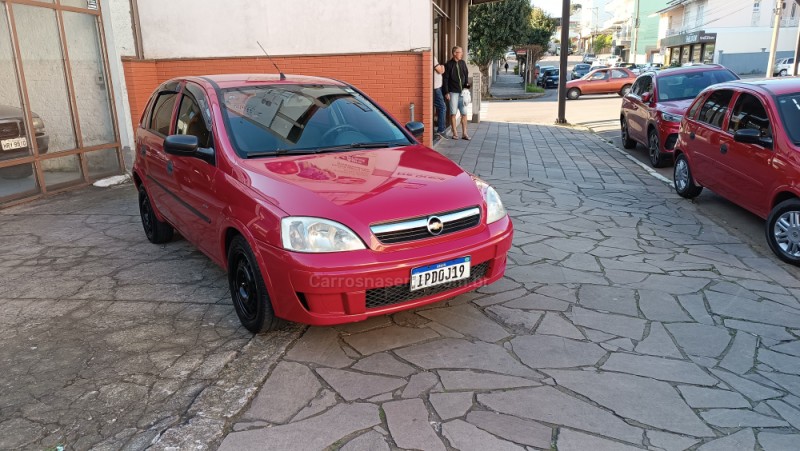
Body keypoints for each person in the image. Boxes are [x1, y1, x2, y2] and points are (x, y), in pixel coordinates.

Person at [442, 46, 471, 140]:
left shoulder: (462, 63)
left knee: (464, 113)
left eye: (462, 52)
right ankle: (455, 133)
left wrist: (467, 88)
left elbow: (466, 75)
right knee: (453, 113)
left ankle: (464, 133)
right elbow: (445, 79)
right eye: (460, 52)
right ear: (454, 53)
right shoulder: (448, 65)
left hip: (462, 93)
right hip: (453, 92)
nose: (461, 54)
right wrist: (446, 92)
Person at [433, 56, 447, 139]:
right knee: (442, 107)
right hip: (435, 88)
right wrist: (442, 66)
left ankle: (439, 130)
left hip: (437, 87)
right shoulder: (433, 57)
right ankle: (441, 130)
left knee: (440, 107)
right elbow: (440, 70)